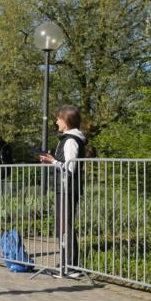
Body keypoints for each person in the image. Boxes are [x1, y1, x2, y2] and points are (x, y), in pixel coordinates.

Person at [39, 105, 88, 272]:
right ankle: (65, 264)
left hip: (68, 188)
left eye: (58, 119)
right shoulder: (67, 139)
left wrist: (53, 161)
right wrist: (52, 159)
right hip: (64, 188)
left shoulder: (71, 140)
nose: (56, 122)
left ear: (66, 121)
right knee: (62, 225)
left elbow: (70, 168)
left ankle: (71, 266)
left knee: (65, 225)